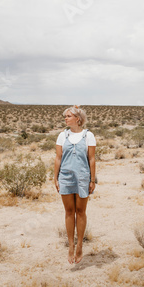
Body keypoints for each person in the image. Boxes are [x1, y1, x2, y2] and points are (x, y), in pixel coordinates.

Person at [54, 105, 96, 264]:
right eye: (65, 116)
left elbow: (91, 159)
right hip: (65, 177)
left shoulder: (88, 136)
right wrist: (55, 177)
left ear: (78, 119)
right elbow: (58, 158)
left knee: (81, 211)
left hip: (83, 178)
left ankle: (80, 245)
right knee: (69, 212)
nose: (65, 118)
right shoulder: (62, 136)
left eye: (69, 116)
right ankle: (71, 245)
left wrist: (92, 179)